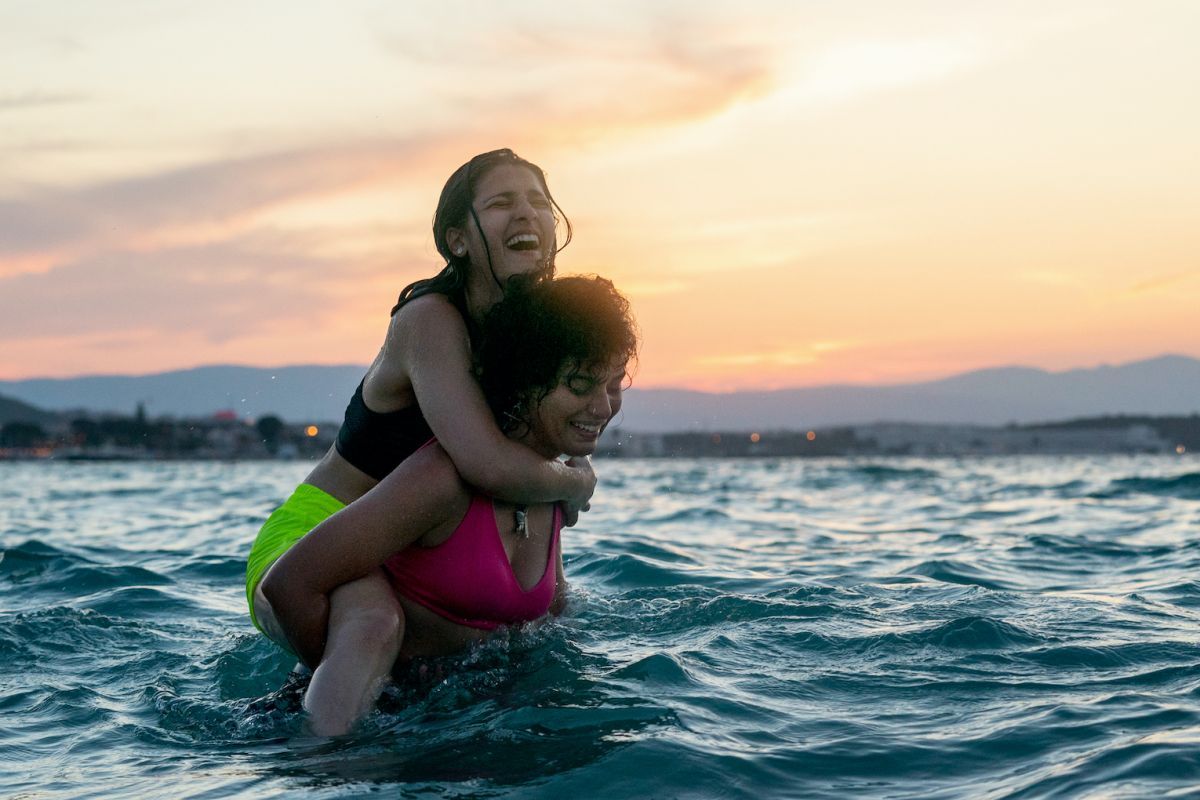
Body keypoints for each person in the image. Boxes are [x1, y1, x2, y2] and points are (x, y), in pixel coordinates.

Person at [244, 150, 598, 725]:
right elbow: (487, 464)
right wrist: (577, 482)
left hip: (408, 545)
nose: (527, 215)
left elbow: (541, 455)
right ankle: (322, 763)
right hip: (320, 534)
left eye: (538, 202)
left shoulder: (532, 333)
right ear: (457, 239)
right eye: (502, 203)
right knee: (373, 625)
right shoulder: (429, 321)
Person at [261, 274, 638, 734]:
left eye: (615, 384)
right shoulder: (441, 478)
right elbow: (290, 585)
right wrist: (349, 683)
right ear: (525, 379)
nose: (603, 406)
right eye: (580, 384)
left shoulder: (551, 485)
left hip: (454, 727)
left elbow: (550, 627)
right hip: (359, 730)